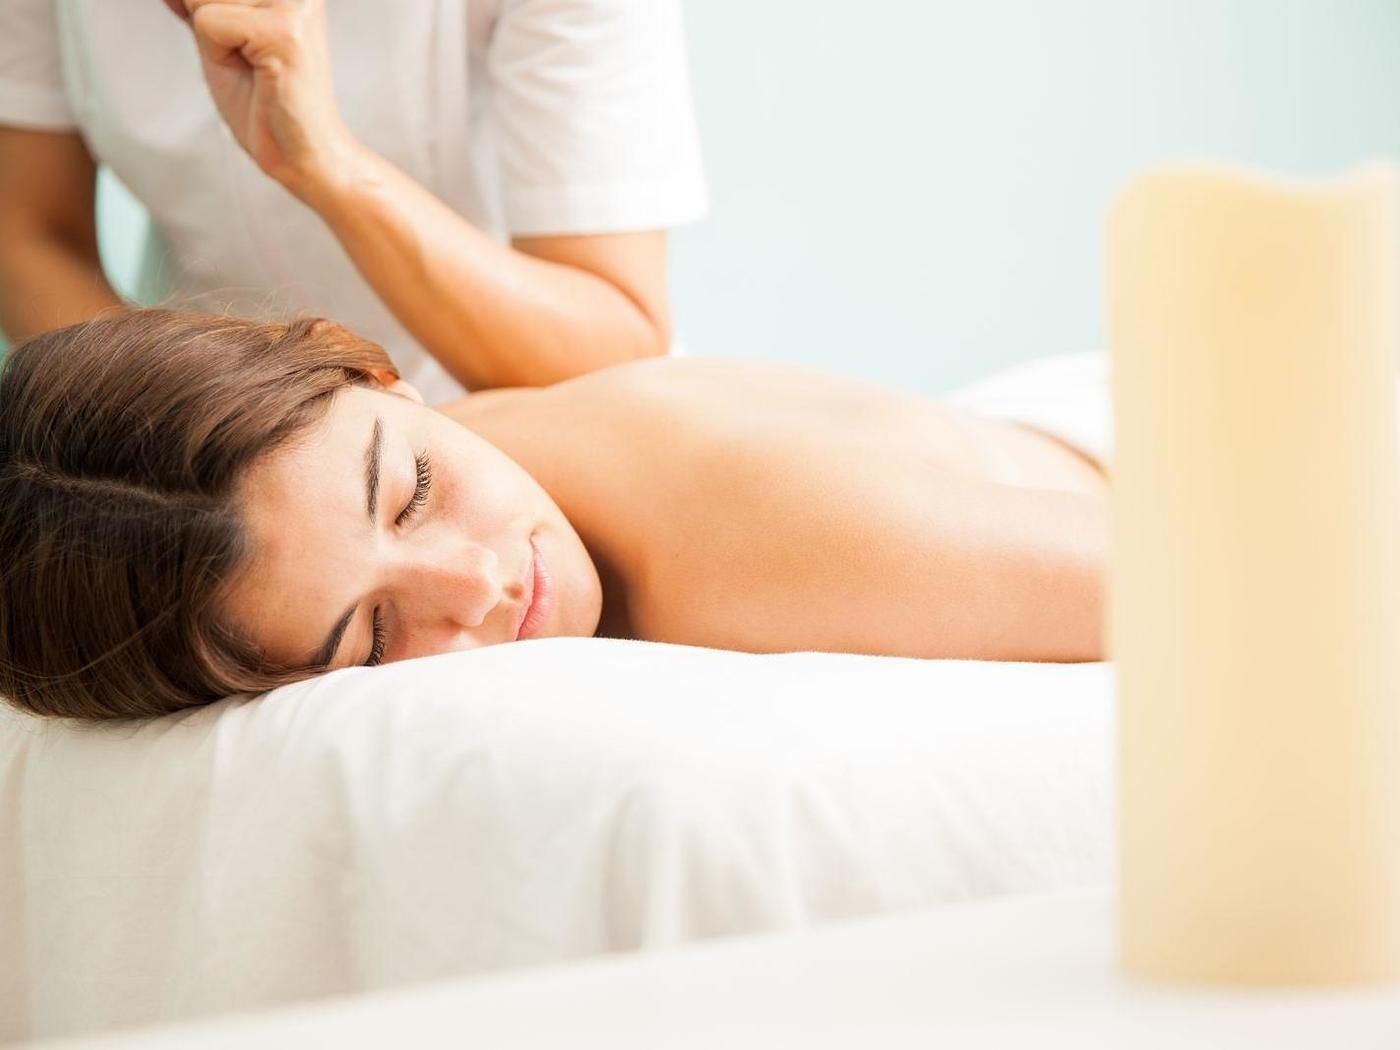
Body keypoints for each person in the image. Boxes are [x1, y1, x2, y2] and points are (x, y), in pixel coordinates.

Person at [0, 310, 1107, 720]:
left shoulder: (763, 550)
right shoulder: (395, 437)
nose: (475, 586)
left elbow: (1249, 579)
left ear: (381, 375)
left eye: (415, 493)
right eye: (374, 637)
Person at [0, 0, 705, 397]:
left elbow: (616, 342)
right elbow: (27, 234)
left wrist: (328, 165)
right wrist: (189, 422)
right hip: (203, 439)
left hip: (514, 438)